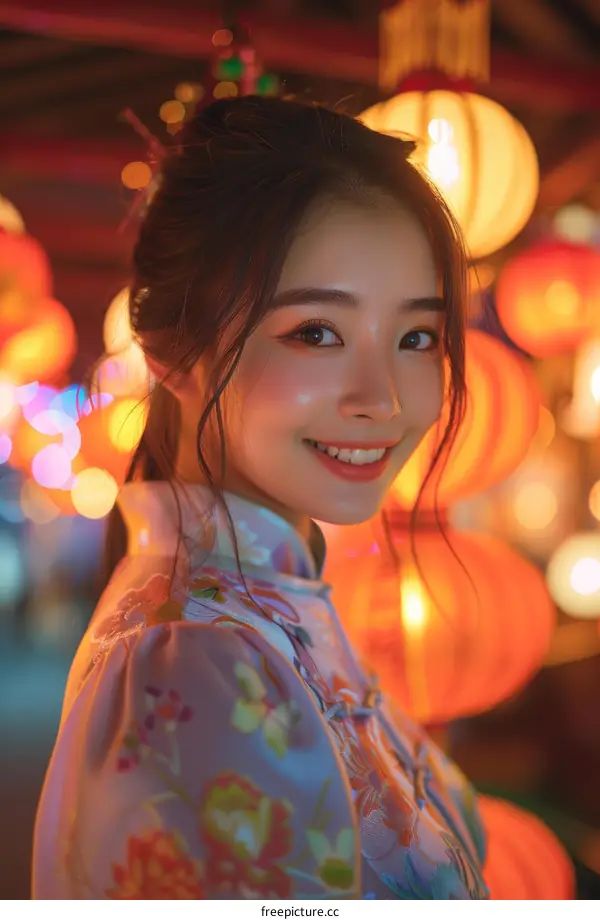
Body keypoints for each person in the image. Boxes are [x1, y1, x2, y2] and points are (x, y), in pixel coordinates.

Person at [33, 96, 488, 900]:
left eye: (417, 336)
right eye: (316, 331)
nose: (382, 398)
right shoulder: (203, 664)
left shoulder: (260, 607)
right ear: (174, 352)